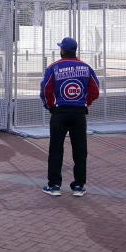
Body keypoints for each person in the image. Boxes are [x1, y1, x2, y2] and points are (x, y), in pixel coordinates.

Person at [40, 36, 100, 197]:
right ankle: (79, 186)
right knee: (80, 151)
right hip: (79, 113)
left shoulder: (54, 67)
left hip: (59, 112)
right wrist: (84, 102)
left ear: (62, 50)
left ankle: (54, 185)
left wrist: (50, 106)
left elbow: (45, 91)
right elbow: (95, 91)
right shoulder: (86, 68)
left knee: (56, 149)